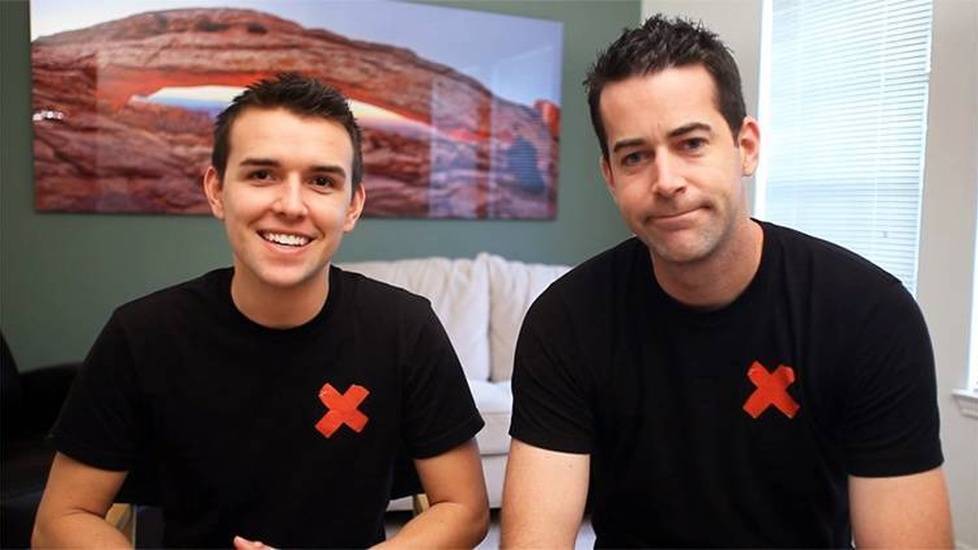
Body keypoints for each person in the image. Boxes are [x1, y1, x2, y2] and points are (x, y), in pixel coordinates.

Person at [501, 15, 952, 548]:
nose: (666, 181)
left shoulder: (868, 315)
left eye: (691, 143)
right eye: (635, 156)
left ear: (747, 146)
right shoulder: (566, 322)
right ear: (610, 176)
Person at [33, 73, 489, 549]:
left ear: (352, 205)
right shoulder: (142, 335)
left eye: (321, 181)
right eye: (261, 174)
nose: (291, 205)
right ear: (216, 190)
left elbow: (464, 508)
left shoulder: (405, 330)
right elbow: (62, 518)